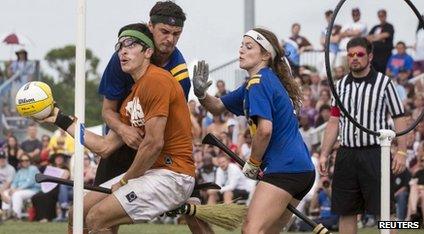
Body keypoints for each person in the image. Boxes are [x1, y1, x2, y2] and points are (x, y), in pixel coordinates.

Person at [40, 23, 195, 233]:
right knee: (78, 213)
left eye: (131, 44)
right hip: (152, 175)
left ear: (148, 52)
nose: (123, 50)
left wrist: (124, 181)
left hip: (173, 175)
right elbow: (103, 147)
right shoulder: (131, 98)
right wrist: (61, 119)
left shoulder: (156, 80)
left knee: (97, 217)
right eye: (120, 45)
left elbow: (153, 144)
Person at [193, 27, 315, 233]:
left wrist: (253, 162)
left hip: (285, 169)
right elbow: (217, 107)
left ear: (266, 55)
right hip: (301, 170)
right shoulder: (257, 82)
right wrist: (201, 94)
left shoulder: (258, 83)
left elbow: (265, 130)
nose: (241, 51)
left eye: (248, 47)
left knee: (251, 230)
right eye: (241, 46)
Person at [319, 37, 407, 234]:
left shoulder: (384, 83)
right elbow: (334, 122)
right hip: (346, 154)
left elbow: (399, 117)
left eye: (359, 54)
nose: (355, 58)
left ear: (370, 56)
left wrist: (402, 151)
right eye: (351, 55)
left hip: (375, 154)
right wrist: (324, 153)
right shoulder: (340, 85)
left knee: (385, 212)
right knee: (346, 211)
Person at [1, 154, 40, 220]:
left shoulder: (33, 168)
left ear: (29, 161)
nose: (24, 162)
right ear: (20, 162)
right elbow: (14, 182)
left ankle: (16, 216)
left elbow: (30, 182)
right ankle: (5, 214)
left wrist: (17, 189)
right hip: (20, 190)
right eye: (22, 160)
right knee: (6, 193)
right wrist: (12, 189)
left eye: (26, 160)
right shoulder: (20, 171)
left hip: (32, 190)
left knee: (17, 194)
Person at [367, 9, 395, 74]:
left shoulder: (389, 26)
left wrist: (374, 37)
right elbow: (368, 37)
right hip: (375, 56)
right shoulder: (375, 27)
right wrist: (379, 37)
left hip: (385, 56)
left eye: (382, 15)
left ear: (385, 16)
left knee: (384, 74)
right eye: (379, 16)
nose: (381, 17)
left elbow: (386, 35)